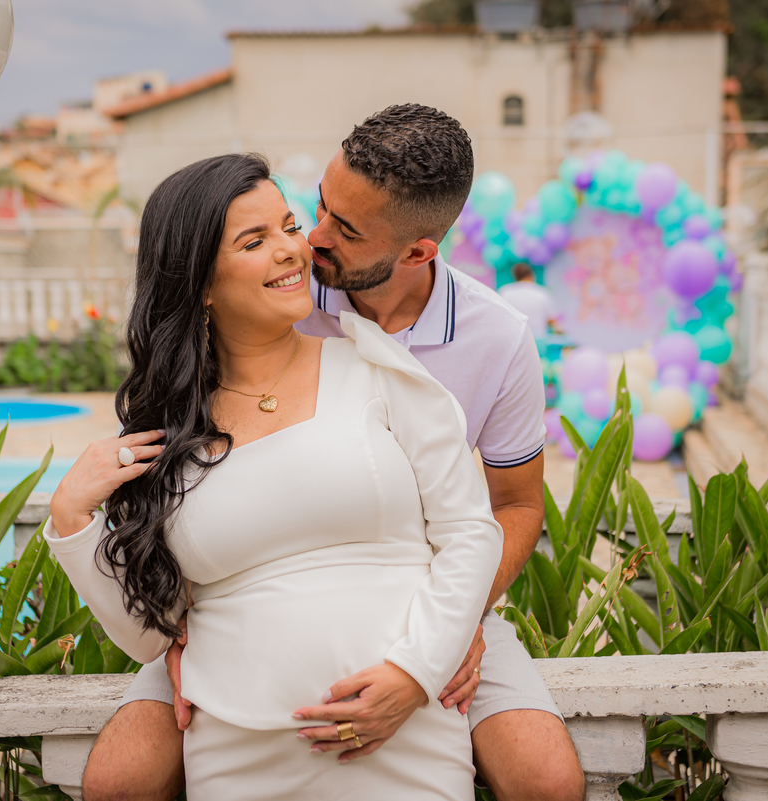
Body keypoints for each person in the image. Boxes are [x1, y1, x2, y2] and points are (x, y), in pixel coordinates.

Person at [83, 105, 586, 801]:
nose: (312, 239)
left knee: (546, 780)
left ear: (417, 252)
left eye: (344, 229)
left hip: (440, 582)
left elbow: (515, 507)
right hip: (243, 599)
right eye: (316, 208)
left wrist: (450, 631)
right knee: (119, 777)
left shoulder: (495, 338)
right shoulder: (286, 281)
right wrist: (183, 629)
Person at [499, 262, 560, 343]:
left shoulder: (505, 292)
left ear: (515, 276)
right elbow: (551, 319)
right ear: (531, 275)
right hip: (538, 339)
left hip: (513, 339)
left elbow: (500, 317)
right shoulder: (542, 292)